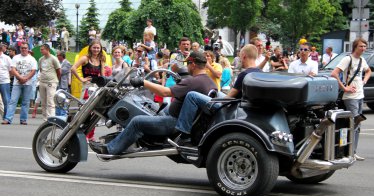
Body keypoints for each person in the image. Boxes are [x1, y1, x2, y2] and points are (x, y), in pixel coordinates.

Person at [89, 51, 217, 155]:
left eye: (188, 64)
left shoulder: (192, 81)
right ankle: (131, 142)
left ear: (192, 64)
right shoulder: (208, 81)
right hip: (177, 118)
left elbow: (165, 92)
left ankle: (110, 149)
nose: (187, 67)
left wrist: (143, 82)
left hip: (173, 123)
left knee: (137, 121)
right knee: (149, 107)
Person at [175, 44, 262, 141]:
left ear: (244, 56)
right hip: (243, 106)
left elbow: (229, 97)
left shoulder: (244, 74)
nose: (240, 59)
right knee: (216, 92)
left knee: (192, 96)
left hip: (231, 107)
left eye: (240, 57)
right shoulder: (259, 72)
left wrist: (214, 100)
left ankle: (184, 133)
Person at [330, 38, 371, 161]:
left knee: (357, 124)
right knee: (352, 124)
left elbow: (368, 71)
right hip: (350, 97)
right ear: (355, 47)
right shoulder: (348, 59)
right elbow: (334, 73)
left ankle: (353, 151)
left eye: (364, 46)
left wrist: (364, 81)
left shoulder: (362, 60)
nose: (363, 48)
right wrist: (344, 87)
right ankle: (348, 151)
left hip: (360, 96)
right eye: (360, 46)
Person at [71, 40, 105, 141]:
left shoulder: (101, 59)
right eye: (94, 47)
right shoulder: (85, 58)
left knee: (96, 112)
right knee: (86, 111)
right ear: (90, 48)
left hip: (97, 87)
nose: (96, 49)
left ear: (100, 49)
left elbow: (102, 76)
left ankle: (91, 135)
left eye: (98, 48)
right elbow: (73, 68)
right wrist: (81, 79)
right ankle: (83, 134)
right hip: (87, 87)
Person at [2, 42, 37, 125]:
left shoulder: (32, 59)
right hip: (17, 83)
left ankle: (23, 119)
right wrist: (21, 78)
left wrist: (26, 78)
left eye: (25, 48)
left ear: (28, 49)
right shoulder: (16, 58)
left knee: (25, 102)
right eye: (22, 48)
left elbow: (33, 71)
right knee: (13, 101)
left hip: (28, 83)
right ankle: (8, 119)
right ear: (20, 49)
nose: (24, 49)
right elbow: (13, 69)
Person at [38, 44, 61, 121]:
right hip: (42, 82)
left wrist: (56, 80)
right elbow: (41, 69)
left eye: (42, 49)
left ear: (47, 50)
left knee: (50, 101)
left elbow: (59, 70)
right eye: (40, 49)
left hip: (51, 82)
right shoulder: (41, 59)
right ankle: (45, 118)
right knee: (43, 101)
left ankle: (51, 118)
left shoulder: (54, 58)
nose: (41, 51)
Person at [56, 50, 72, 116]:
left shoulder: (67, 63)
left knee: (63, 100)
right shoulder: (57, 62)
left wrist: (55, 69)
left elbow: (61, 71)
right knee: (57, 100)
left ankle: (63, 114)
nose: (56, 56)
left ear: (62, 56)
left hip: (63, 85)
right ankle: (57, 114)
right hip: (57, 84)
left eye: (58, 55)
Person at [0, 43, 12, 120]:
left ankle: (6, 117)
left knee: (6, 100)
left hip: (4, 81)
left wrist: (8, 78)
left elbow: (11, 70)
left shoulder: (6, 58)